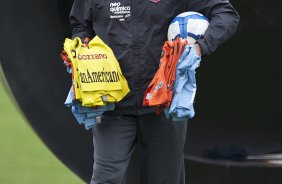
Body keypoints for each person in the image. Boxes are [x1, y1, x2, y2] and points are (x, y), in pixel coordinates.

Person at [69, 0, 240, 183]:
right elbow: (81, 25)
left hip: (164, 105)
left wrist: (199, 48)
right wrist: (81, 52)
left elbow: (226, 14)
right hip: (114, 105)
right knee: (106, 179)